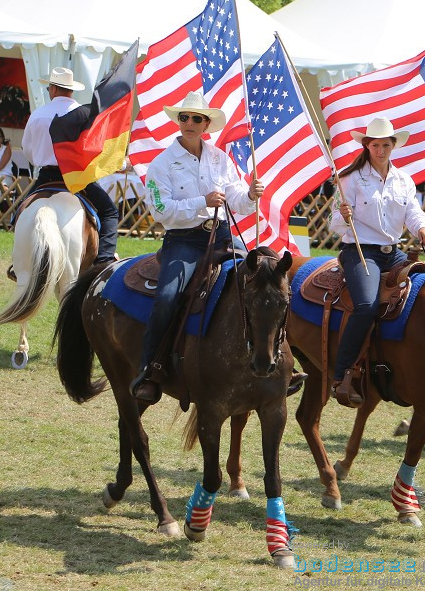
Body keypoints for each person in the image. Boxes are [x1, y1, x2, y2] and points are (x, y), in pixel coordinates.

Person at [130, 91, 264, 404]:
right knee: (166, 298)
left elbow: (237, 200)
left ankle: (269, 359)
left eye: (196, 119)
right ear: (178, 122)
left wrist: (252, 195)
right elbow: (161, 211)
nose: (189, 123)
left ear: (207, 125)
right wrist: (201, 202)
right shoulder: (161, 164)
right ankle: (150, 369)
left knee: (265, 284)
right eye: (184, 118)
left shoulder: (220, 158)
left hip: (222, 236)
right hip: (184, 241)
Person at [327, 117, 425, 408]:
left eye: (386, 144)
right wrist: (342, 216)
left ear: (393, 145)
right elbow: (333, 224)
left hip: (394, 252)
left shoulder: (404, 180)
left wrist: (423, 228)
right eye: (375, 145)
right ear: (367, 146)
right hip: (360, 251)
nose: (381, 149)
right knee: (366, 305)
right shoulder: (349, 178)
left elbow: (413, 212)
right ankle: (342, 372)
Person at [21, 67, 119, 266]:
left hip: (46, 177)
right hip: (77, 179)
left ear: (53, 90)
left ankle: (19, 262)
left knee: (20, 213)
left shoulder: (37, 114)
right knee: (109, 212)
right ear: (70, 89)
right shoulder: (84, 113)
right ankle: (105, 258)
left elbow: (28, 152)